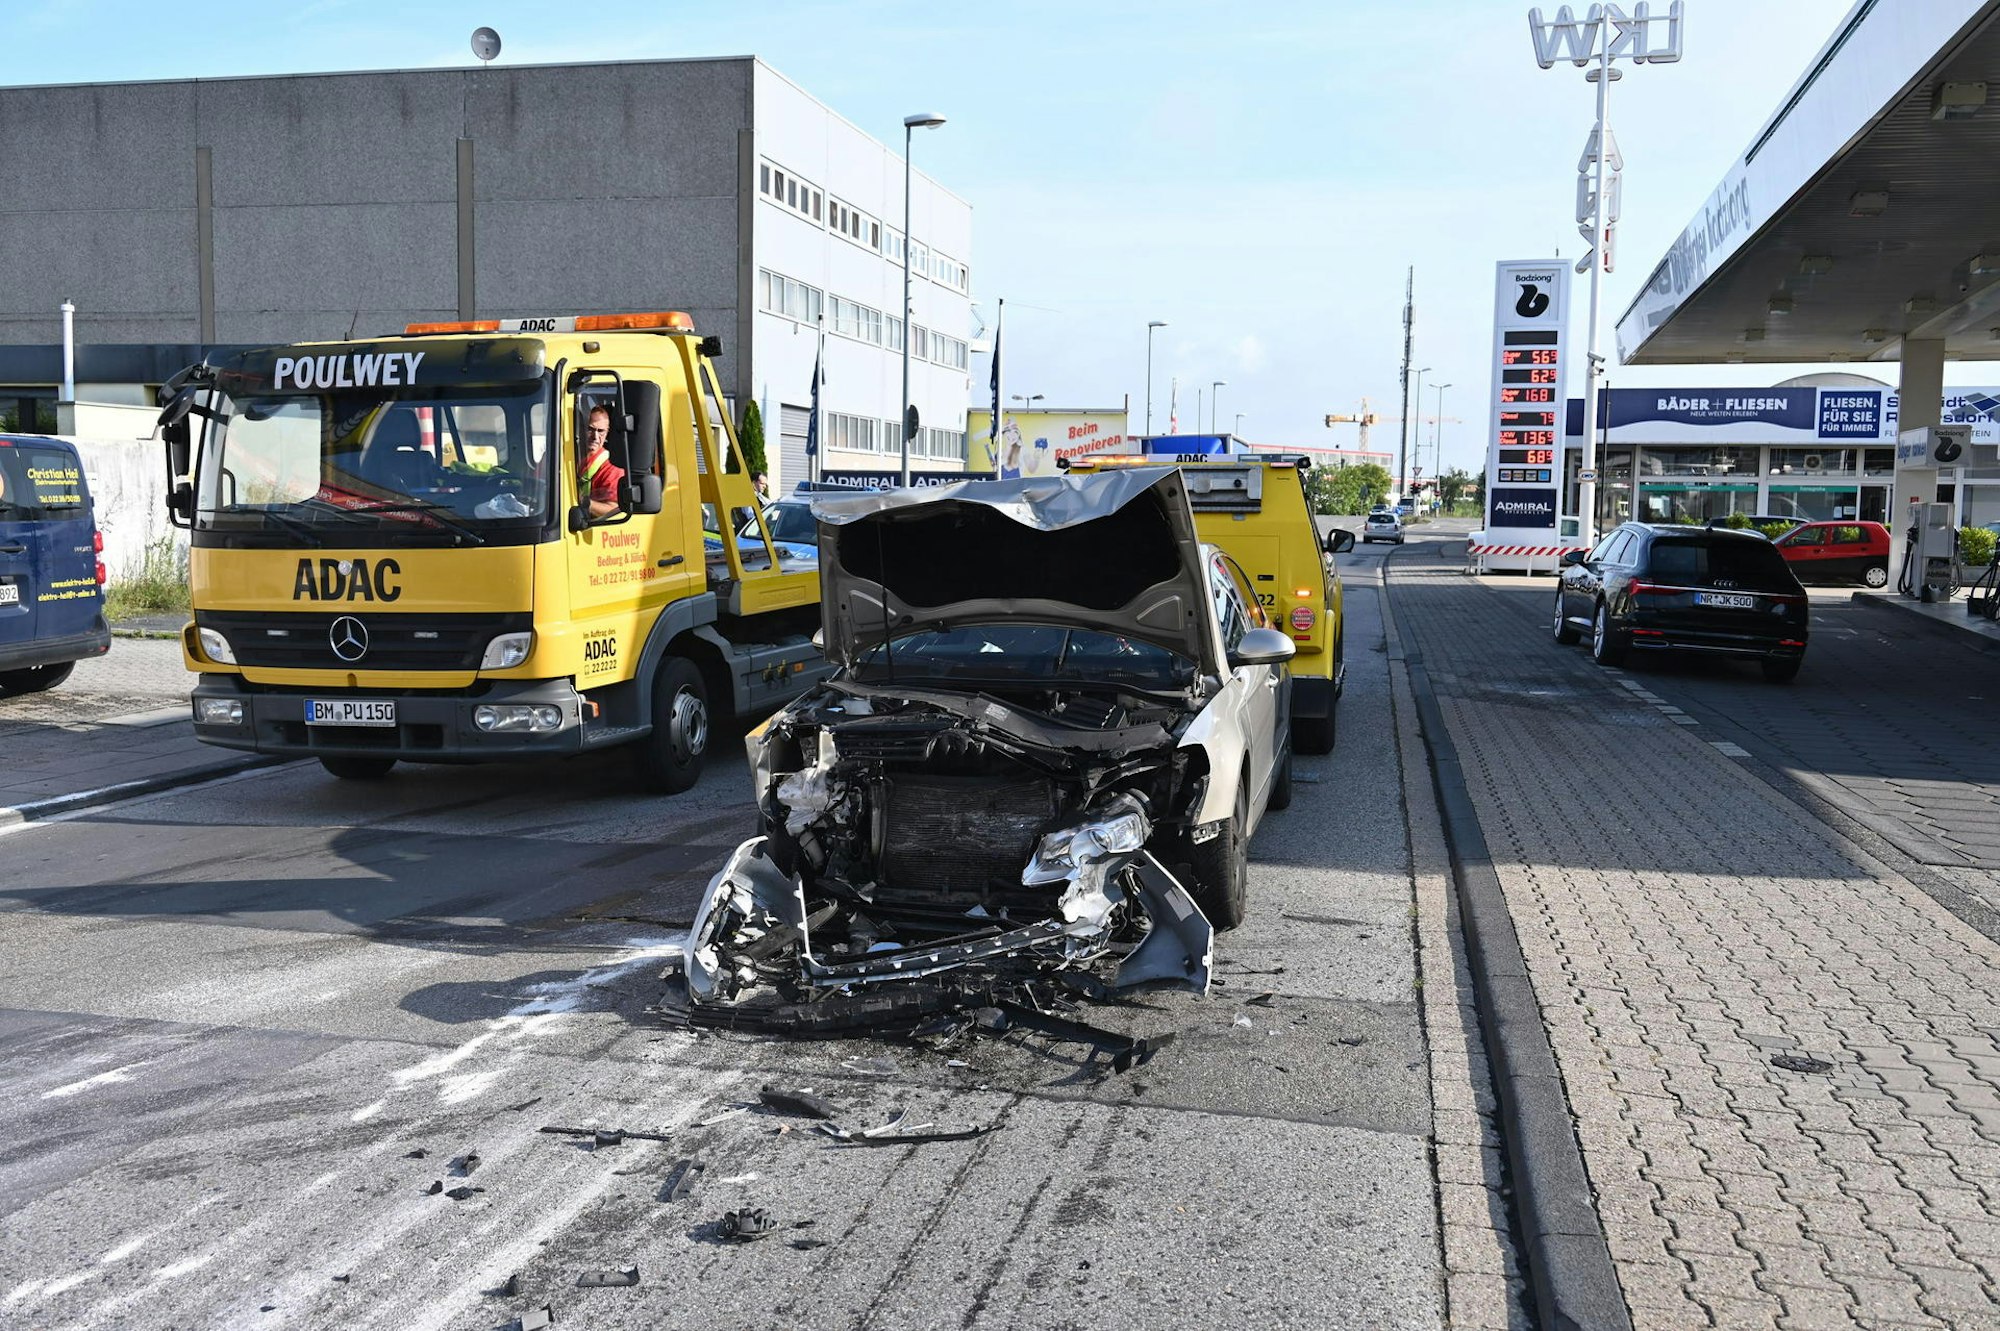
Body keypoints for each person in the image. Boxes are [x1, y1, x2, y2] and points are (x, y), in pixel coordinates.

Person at [580, 405, 625, 518]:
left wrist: (582, 502)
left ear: (607, 432)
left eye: (601, 431)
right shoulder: (560, 455)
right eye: (590, 429)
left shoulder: (612, 466)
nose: (595, 437)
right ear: (580, 428)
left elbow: (613, 510)